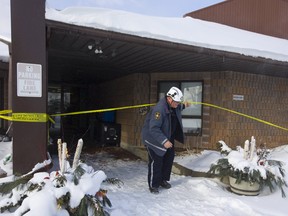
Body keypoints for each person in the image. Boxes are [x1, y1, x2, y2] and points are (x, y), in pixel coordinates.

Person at [141, 86, 185, 194]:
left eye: (179, 102)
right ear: (169, 98)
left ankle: (162, 180)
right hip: (153, 138)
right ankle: (154, 185)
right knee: (157, 160)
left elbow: (180, 107)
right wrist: (164, 141)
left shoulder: (174, 106)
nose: (177, 104)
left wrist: (187, 105)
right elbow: (154, 128)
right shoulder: (159, 110)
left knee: (169, 157)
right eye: (176, 102)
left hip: (167, 136)